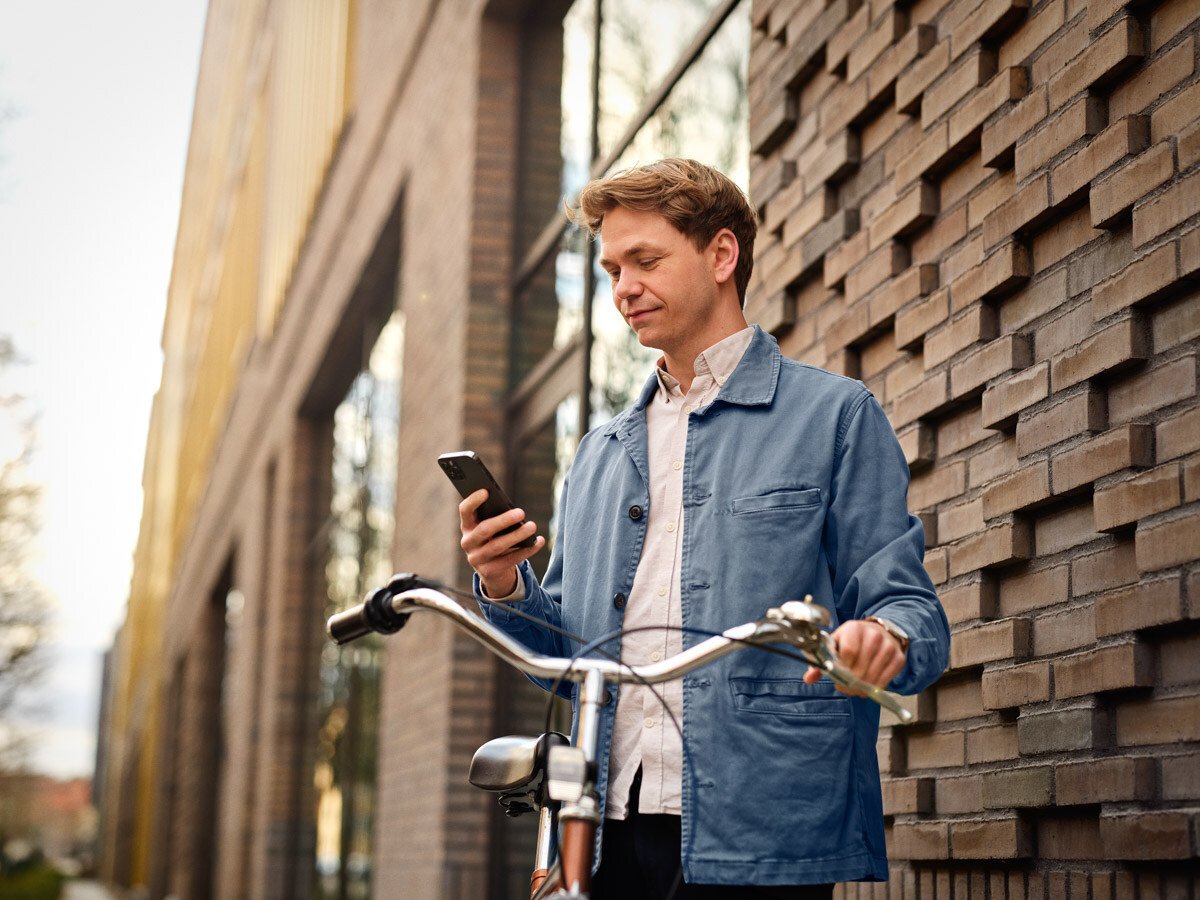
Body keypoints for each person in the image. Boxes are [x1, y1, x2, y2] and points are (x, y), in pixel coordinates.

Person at [458, 158, 950, 897]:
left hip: (763, 826)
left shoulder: (835, 417)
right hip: (603, 827)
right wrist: (503, 583)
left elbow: (909, 608)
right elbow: (566, 659)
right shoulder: (599, 453)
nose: (623, 288)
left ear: (722, 255)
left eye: (644, 261)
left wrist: (883, 637)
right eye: (611, 268)